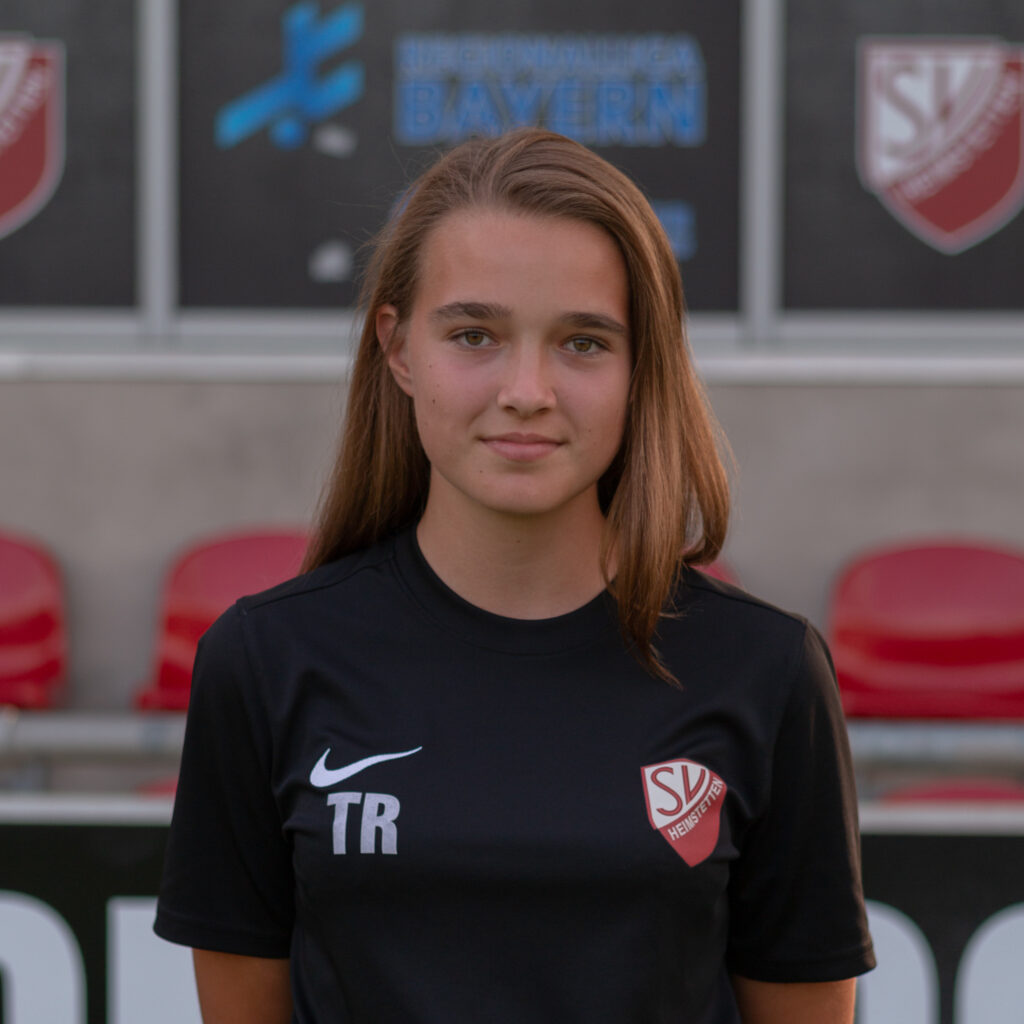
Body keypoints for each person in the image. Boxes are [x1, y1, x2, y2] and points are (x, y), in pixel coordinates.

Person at [154, 128, 874, 1023]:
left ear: (641, 366)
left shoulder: (765, 670)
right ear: (399, 349)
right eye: (474, 335)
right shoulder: (264, 661)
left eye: (583, 343)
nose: (527, 390)